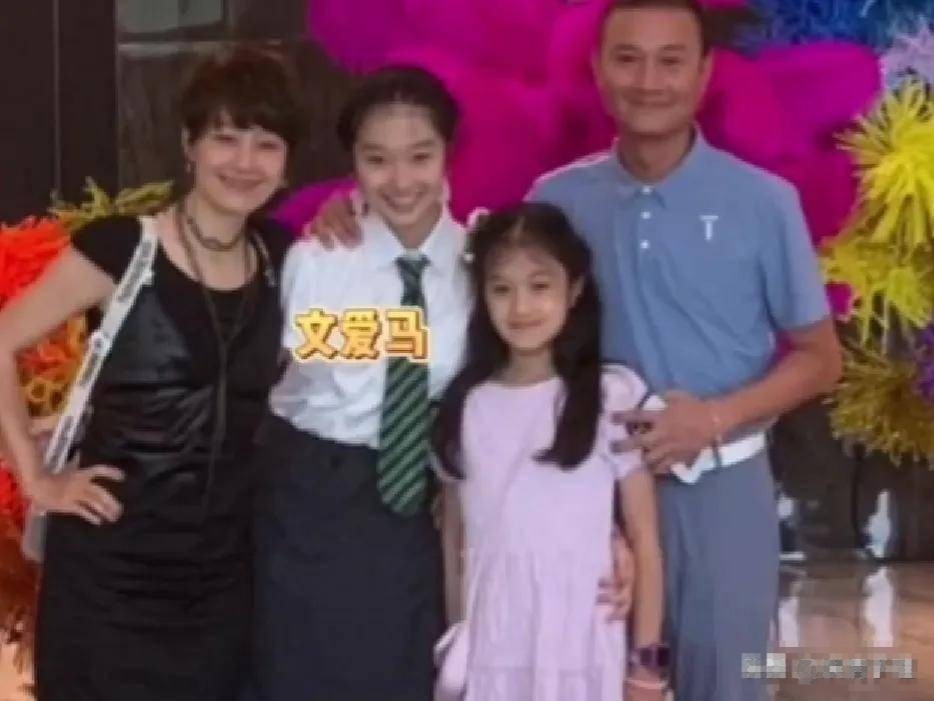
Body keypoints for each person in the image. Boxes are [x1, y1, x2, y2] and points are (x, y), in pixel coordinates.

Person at [305, 1, 843, 699]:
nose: (648, 80)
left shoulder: (763, 201)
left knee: (728, 681)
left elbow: (820, 358)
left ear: (705, 72)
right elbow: (470, 258)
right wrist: (356, 208)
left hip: (719, 486)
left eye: (671, 61)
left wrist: (712, 418)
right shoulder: (560, 198)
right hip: (586, 487)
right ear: (597, 69)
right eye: (627, 59)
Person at [0, 46, 305, 700]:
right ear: (189, 145)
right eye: (225, 138)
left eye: (266, 144)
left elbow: (366, 350)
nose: (244, 162)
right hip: (107, 581)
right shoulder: (121, 248)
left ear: (286, 165)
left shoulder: (287, 261)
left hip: (222, 589)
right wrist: (35, 476)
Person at [433, 202, 666, 700]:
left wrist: (648, 667)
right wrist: (459, 635)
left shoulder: (611, 395)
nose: (521, 308)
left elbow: (645, 539)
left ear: (574, 290)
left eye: (540, 286)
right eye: (501, 289)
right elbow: (455, 537)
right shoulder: (466, 404)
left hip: (583, 642)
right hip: (495, 647)